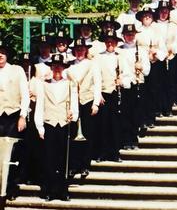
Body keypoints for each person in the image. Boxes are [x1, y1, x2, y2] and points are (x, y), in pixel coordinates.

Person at [34, 53, 78, 201]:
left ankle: (63, 190)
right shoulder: (44, 84)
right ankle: (49, 190)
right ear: (51, 68)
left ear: (63, 68)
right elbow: (39, 106)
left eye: (60, 66)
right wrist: (40, 126)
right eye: (55, 66)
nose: (57, 69)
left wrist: (74, 115)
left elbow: (74, 103)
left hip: (64, 123)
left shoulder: (69, 84)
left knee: (63, 159)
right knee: (49, 158)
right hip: (49, 123)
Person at [65, 38, 101, 178]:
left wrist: (96, 103)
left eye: (82, 49)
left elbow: (97, 83)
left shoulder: (92, 65)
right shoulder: (69, 66)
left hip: (88, 101)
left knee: (88, 134)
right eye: (77, 50)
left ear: (86, 50)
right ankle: (74, 165)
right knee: (73, 134)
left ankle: (85, 165)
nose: (79, 52)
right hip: (74, 103)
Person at [0, 40, 29, 199]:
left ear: (7, 54)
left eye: (3, 52)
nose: (0, 55)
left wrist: (22, 116)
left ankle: (10, 188)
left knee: (11, 155)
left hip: (12, 116)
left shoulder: (17, 70)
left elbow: (25, 94)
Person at [117, 24, 150, 150]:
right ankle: (126, 140)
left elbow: (147, 71)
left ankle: (134, 139)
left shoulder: (141, 51)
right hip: (125, 85)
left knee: (136, 113)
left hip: (138, 85)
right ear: (123, 36)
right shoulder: (119, 50)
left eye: (132, 34)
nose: (130, 37)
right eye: (127, 35)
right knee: (125, 113)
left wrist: (141, 67)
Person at [95, 29, 123, 162]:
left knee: (116, 124)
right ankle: (103, 152)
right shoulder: (99, 57)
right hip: (104, 94)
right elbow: (96, 77)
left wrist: (121, 80)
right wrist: (98, 93)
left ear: (116, 43)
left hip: (117, 93)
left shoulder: (120, 56)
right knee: (103, 124)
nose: (110, 44)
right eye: (108, 42)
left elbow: (126, 73)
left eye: (112, 42)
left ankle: (115, 152)